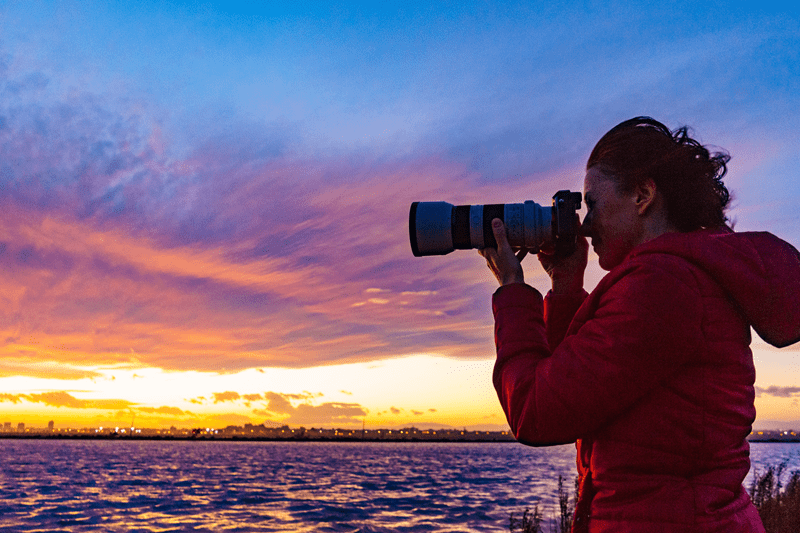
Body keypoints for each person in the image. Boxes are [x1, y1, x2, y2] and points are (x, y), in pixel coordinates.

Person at [480, 117, 800, 533]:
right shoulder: (681, 276)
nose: (585, 223)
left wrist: (512, 291)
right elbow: (579, 391)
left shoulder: (662, 286)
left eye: (592, 203)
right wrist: (564, 285)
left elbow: (536, 411)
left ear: (643, 194)